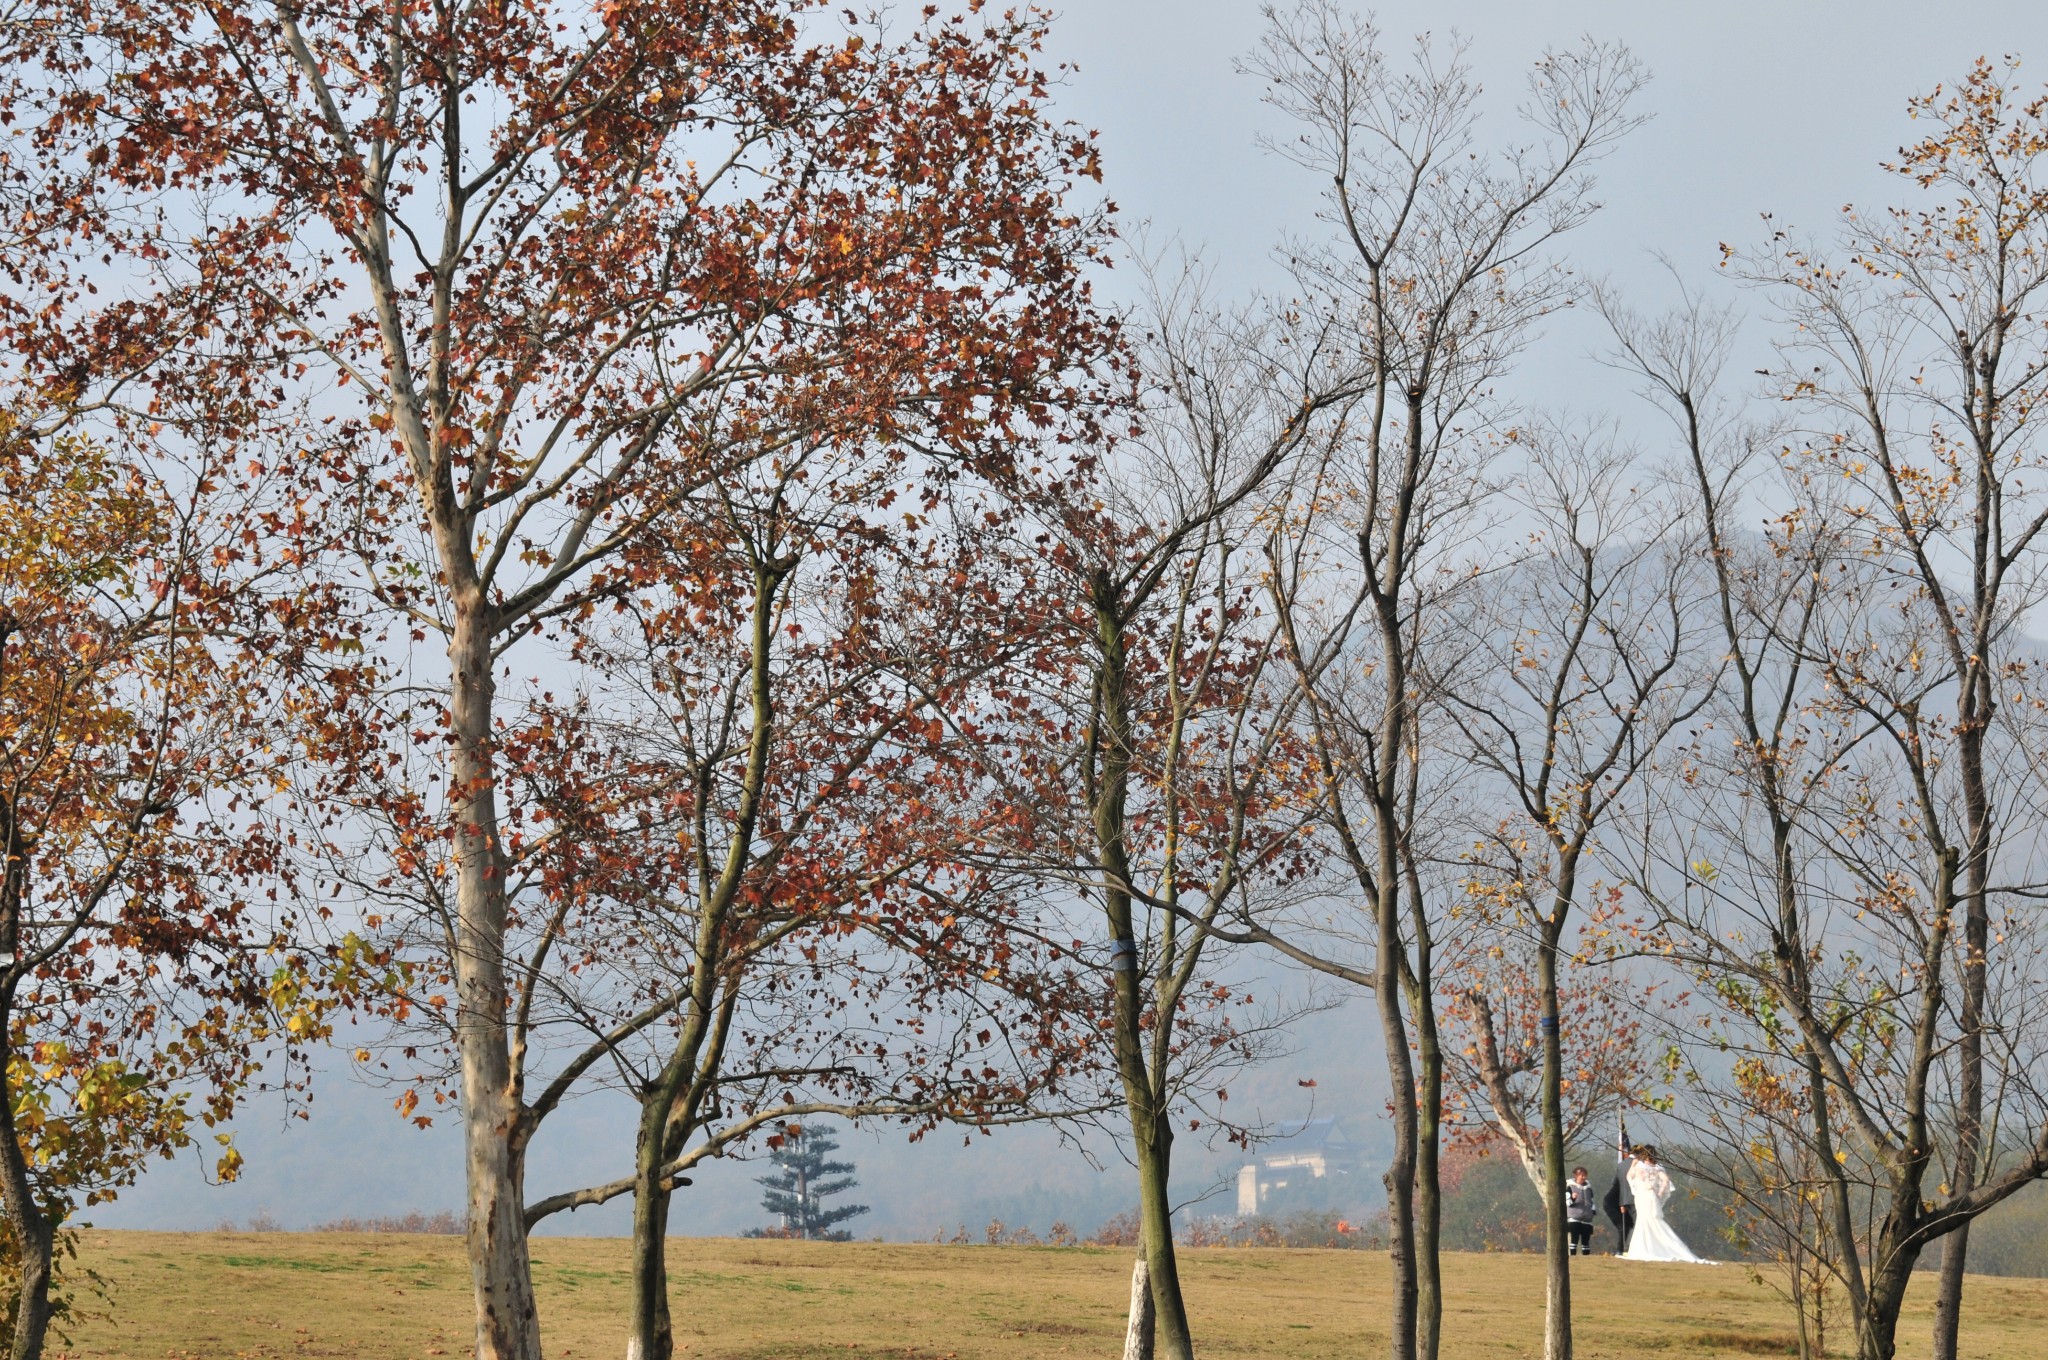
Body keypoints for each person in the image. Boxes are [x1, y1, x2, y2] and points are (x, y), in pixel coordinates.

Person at [1619, 1145, 1714, 1264]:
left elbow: (1629, 1177)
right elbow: (1666, 1181)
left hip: (1642, 1195)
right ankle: (1653, 1248)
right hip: (1651, 1195)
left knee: (1644, 1221)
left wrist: (1633, 1166)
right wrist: (1659, 1193)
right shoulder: (1658, 1168)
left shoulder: (1639, 1166)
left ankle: (1646, 1248)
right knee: (1651, 1220)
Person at [1564, 1166, 1597, 1256]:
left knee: (1586, 1241)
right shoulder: (1569, 1187)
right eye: (1581, 1175)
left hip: (1587, 1218)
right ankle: (1573, 1257)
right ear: (1576, 1176)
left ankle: (1586, 1258)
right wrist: (1573, 1198)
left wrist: (1593, 1211)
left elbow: (1592, 1201)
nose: (1584, 1177)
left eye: (1585, 1175)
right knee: (1574, 1239)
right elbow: (1568, 1203)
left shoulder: (1588, 1188)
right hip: (1574, 1217)